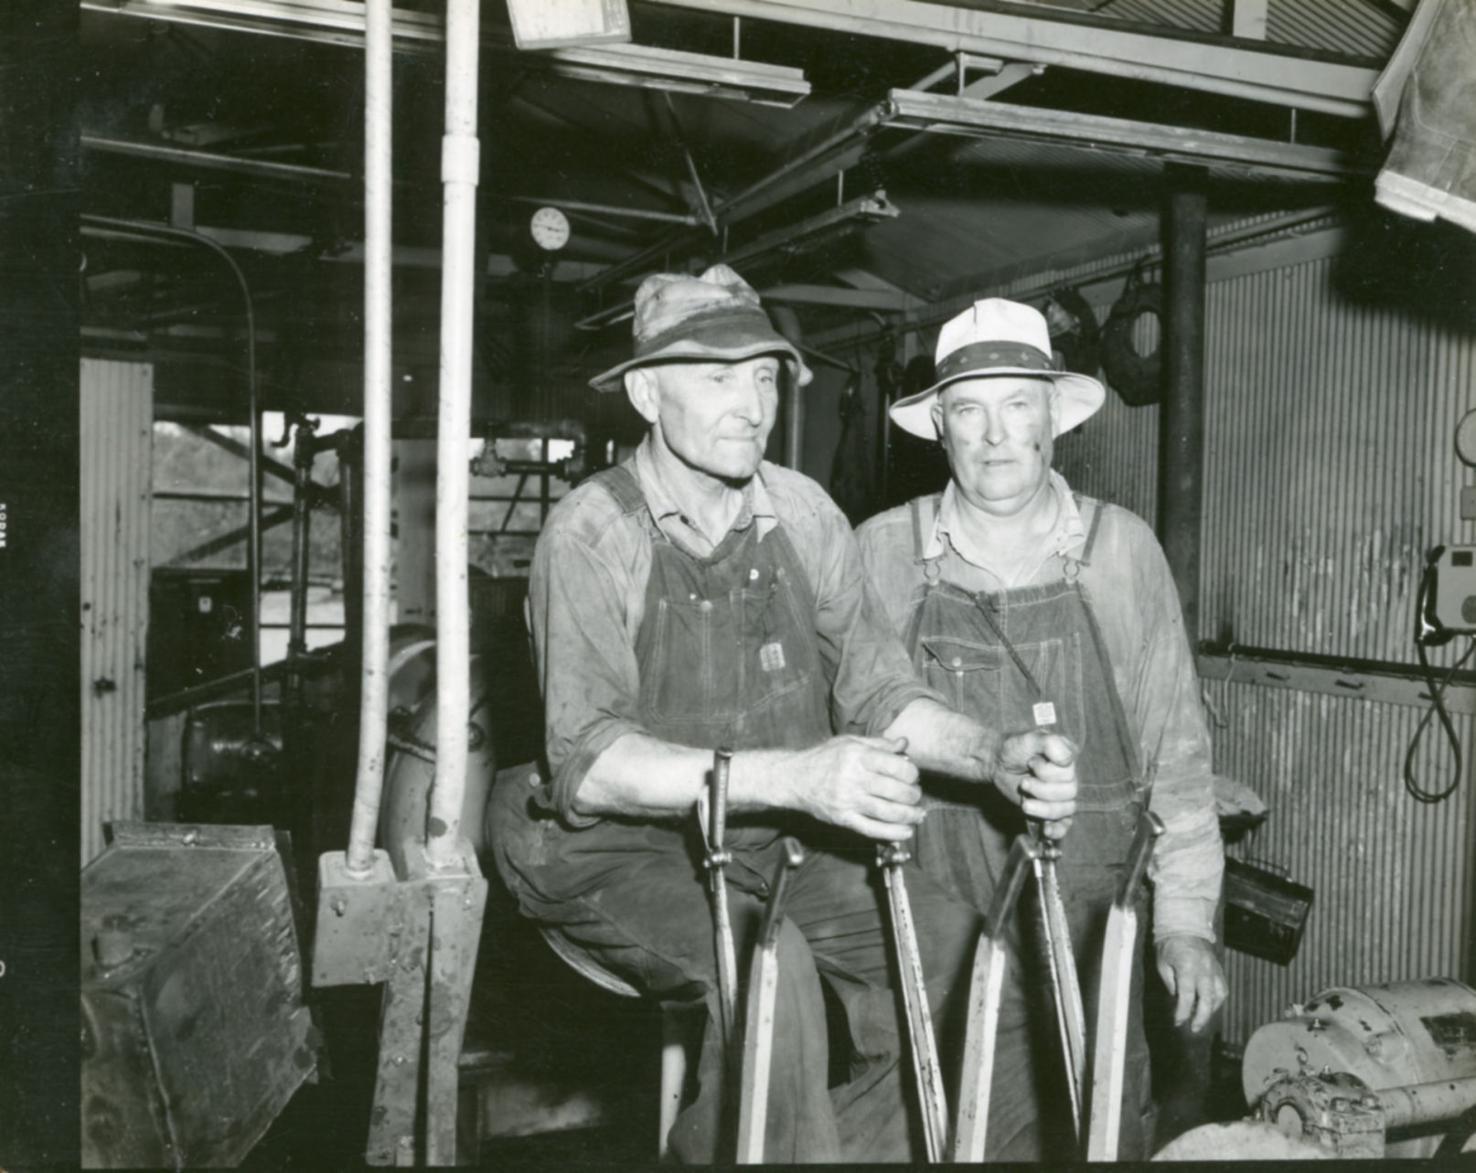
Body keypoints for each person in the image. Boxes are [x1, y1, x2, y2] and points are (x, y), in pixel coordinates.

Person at [488, 266, 1078, 1164]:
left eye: (764, 375)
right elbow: (589, 762)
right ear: (647, 393)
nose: (750, 403)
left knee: (982, 977)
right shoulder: (592, 533)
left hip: (768, 841)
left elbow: (879, 693)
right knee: (776, 976)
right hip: (607, 849)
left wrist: (994, 752)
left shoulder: (803, 514)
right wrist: (801, 776)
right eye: (716, 377)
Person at [857, 297, 1227, 1161]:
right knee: (926, 1126)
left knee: (1094, 1123)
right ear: (938, 427)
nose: (994, 436)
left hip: (1093, 911)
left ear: (1053, 419)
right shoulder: (879, 551)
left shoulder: (1121, 550)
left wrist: (1182, 922)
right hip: (926, 910)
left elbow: (1176, 754)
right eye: (969, 410)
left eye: (1017, 405)